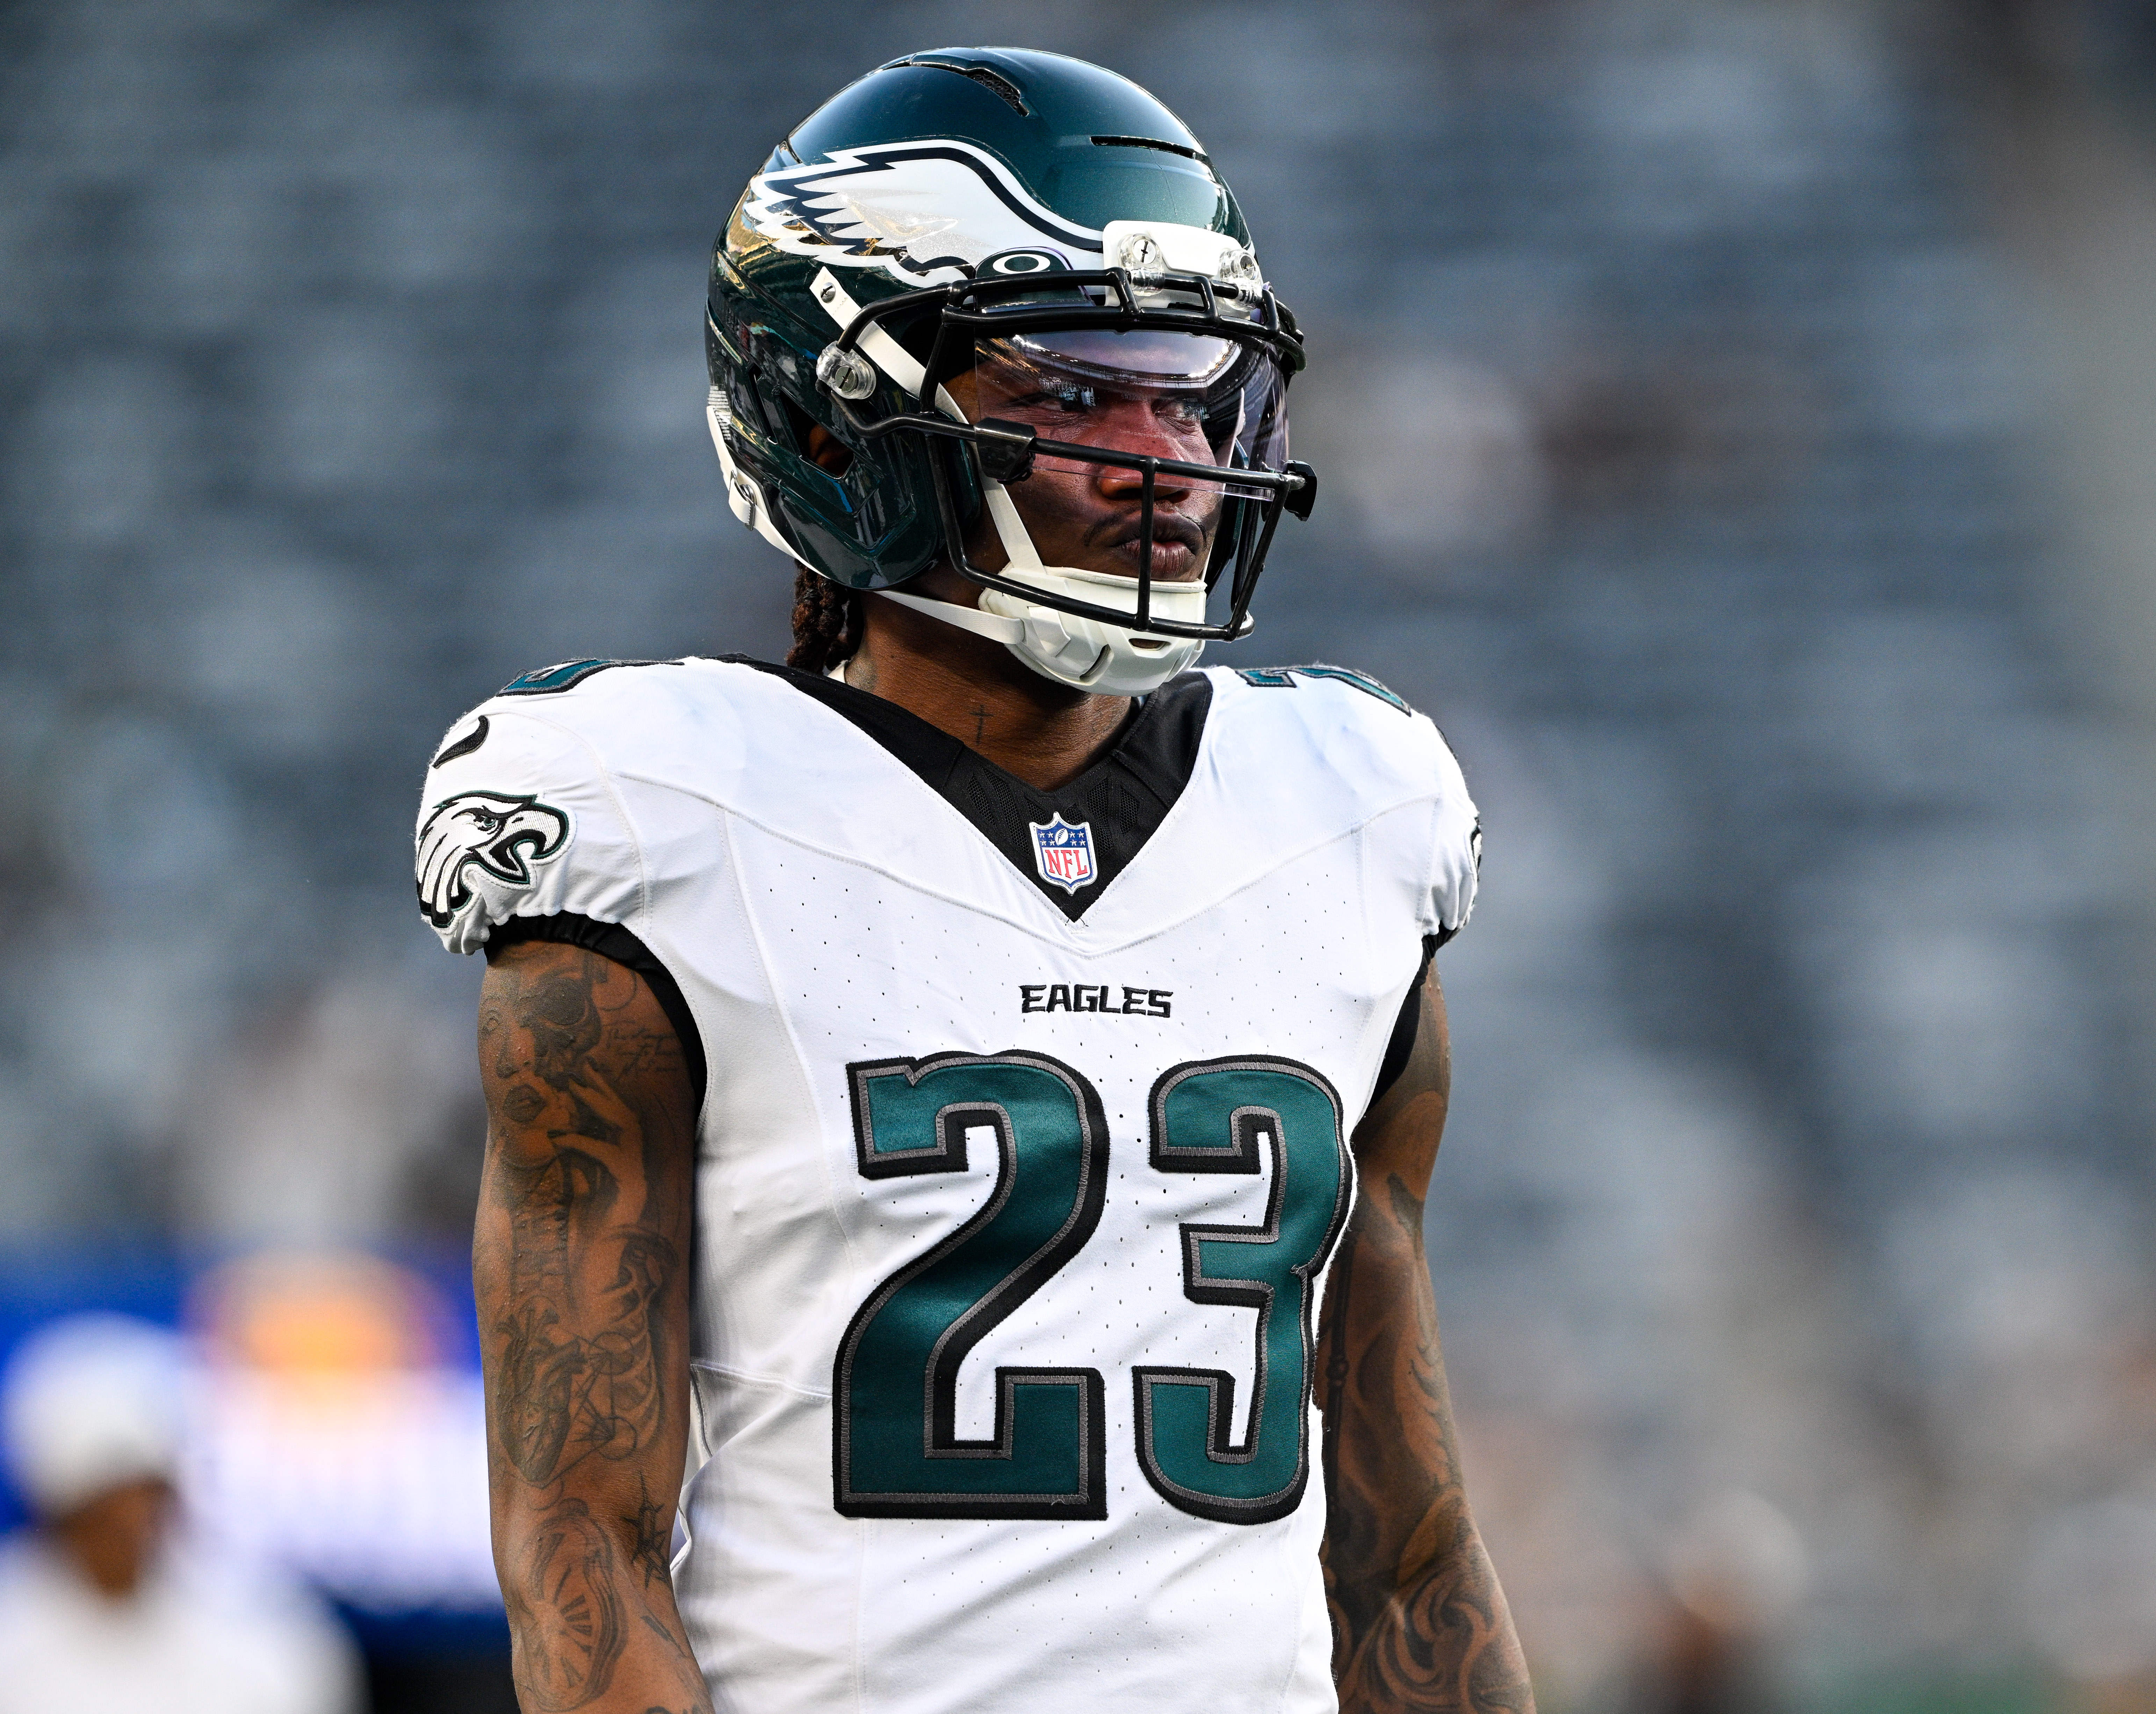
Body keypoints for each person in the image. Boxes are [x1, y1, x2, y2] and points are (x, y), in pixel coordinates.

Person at [415, 47, 1530, 1714]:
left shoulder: (1349, 816)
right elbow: (582, 1536)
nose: (1156, 456)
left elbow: (1408, 1558)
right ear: (826, 414)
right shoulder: (659, 819)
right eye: (1072, 392)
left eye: (1186, 388)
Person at [0, 1314, 360, 1714]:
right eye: (104, 1504)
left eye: (151, 1494)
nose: (132, 1522)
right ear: (55, 1512)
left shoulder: (265, 1623)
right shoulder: (12, 1625)